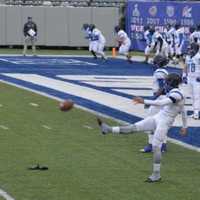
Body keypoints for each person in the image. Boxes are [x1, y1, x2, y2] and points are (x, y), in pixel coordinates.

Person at [97, 73, 187, 182]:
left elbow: (161, 103)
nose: (165, 83)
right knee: (133, 127)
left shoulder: (177, 94)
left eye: (167, 81)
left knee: (156, 147)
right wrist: (184, 125)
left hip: (165, 122)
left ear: (171, 82)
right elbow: (182, 109)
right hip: (158, 117)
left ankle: (156, 174)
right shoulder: (173, 91)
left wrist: (144, 101)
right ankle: (108, 129)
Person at [141, 54, 169, 153]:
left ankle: (150, 144)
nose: (154, 63)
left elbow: (162, 88)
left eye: (156, 61)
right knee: (161, 122)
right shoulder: (164, 71)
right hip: (164, 99)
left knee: (150, 121)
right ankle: (163, 145)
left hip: (159, 99)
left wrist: (151, 100)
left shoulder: (159, 72)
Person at [182, 42, 200, 119]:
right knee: (192, 96)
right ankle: (195, 112)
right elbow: (185, 66)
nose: (189, 50)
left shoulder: (199, 57)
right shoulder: (188, 57)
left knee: (197, 96)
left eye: (191, 48)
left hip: (197, 79)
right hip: (190, 78)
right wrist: (184, 76)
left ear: (196, 49)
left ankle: (197, 113)